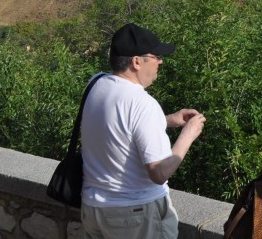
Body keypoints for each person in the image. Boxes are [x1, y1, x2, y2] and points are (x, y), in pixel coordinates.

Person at [80, 23, 206, 239]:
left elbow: (117, 128)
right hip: (134, 214)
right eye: (155, 56)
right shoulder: (142, 103)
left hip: (93, 209)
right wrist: (188, 135)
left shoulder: (96, 84)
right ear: (136, 62)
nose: (160, 61)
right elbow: (158, 172)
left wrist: (166, 120)